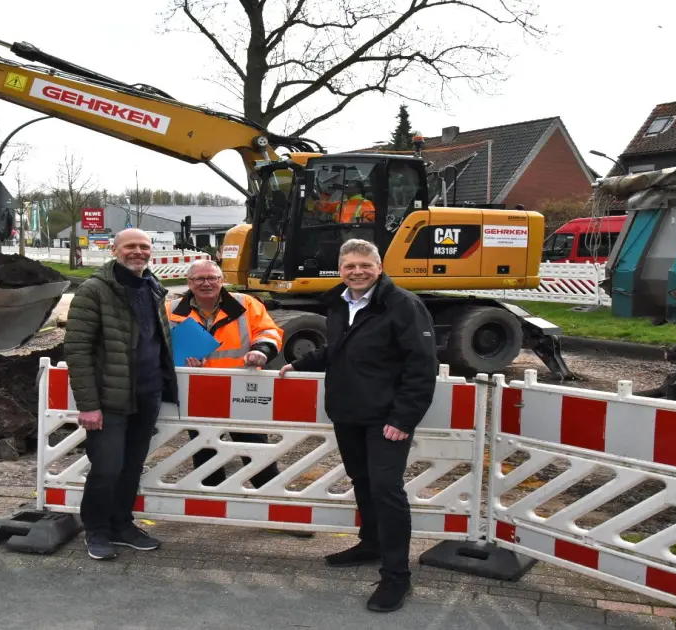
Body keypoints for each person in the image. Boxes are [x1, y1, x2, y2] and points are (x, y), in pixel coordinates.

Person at [279, 239, 437, 613]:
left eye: (365, 265)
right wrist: (302, 363)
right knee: (362, 482)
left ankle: (396, 575)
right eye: (349, 266)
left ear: (379, 267)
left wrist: (403, 418)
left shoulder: (403, 305)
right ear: (340, 269)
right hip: (348, 412)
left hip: (386, 419)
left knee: (386, 490)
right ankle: (371, 544)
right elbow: (340, 347)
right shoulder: (340, 302)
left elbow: (421, 366)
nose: (357, 272)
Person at [64, 228, 176, 561]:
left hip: (147, 393)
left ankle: (122, 525)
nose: (138, 251)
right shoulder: (94, 291)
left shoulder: (154, 287)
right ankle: (96, 530)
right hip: (109, 399)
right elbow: (77, 349)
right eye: (130, 246)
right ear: (114, 250)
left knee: (131, 467)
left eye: (144, 246)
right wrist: (88, 405)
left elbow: (156, 340)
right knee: (107, 467)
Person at [166, 260, 284, 485]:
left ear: (222, 281)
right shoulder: (170, 310)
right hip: (199, 392)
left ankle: (270, 496)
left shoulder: (246, 304)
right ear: (189, 283)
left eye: (212, 278)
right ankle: (210, 499)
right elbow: (160, 345)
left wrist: (262, 350)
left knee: (255, 448)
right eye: (199, 279)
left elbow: (269, 331)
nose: (206, 283)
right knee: (205, 450)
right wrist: (179, 362)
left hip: (241, 390)